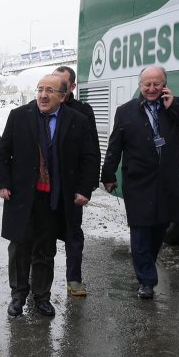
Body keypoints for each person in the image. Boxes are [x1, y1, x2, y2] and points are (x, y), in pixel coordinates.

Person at [0, 74, 98, 317]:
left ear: (63, 96)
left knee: (45, 249)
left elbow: (90, 157)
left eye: (50, 90)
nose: (43, 94)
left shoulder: (77, 120)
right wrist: (3, 184)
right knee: (19, 247)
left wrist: (84, 189)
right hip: (21, 196)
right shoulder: (19, 116)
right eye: (40, 89)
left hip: (55, 198)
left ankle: (42, 297)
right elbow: (3, 153)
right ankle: (18, 295)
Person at [101, 65, 179, 299]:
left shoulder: (178, 105)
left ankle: (148, 263)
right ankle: (146, 281)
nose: (152, 88)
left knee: (160, 228)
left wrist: (173, 107)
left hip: (168, 180)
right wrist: (107, 176)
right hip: (138, 180)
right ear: (140, 85)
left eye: (157, 84)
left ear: (164, 85)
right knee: (140, 229)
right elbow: (115, 146)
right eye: (147, 84)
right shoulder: (125, 111)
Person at [53, 65, 100, 297]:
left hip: (71, 186)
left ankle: (74, 279)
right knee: (42, 235)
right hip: (44, 188)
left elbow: (91, 152)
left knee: (73, 233)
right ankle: (39, 280)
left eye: (62, 84)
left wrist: (87, 186)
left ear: (71, 87)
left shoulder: (82, 112)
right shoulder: (37, 109)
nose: (55, 88)